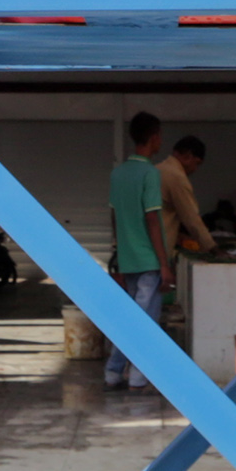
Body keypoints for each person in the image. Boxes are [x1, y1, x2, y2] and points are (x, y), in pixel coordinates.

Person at [102, 111, 189, 388]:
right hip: (149, 259)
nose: (161, 141)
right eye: (160, 136)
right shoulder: (150, 173)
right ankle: (136, 376)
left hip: (128, 259)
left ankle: (115, 372)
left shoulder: (118, 174)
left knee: (134, 319)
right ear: (153, 137)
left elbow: (114, 216)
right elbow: (152, 218)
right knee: (143, 323)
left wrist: (119, 249)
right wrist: (164, 263)